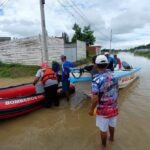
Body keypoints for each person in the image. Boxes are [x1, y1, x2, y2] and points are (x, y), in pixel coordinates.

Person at [89, 55, 119, 148]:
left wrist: (91, 110)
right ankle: (112, 139)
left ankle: (104, 146)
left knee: (103, 130)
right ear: (107, 65)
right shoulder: (114, 76)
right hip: (114, 107)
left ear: (96, 66)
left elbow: (95, 98)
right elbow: (117, 91)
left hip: (103, 110)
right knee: (112, 124)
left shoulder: (96, 80)